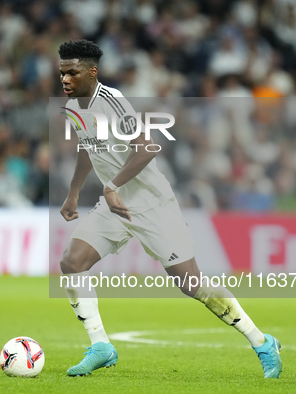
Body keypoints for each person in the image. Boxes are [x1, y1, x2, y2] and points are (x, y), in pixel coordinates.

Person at [58, 40, 282, 377]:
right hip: (114, 205)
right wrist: (74, 192)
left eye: (72, 72)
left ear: (92, 71)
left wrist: (112, 185)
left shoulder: (113, 102)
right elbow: (86, 148)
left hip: (150, 204)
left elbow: (148, 147)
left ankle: (262, 342)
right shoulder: (74, 107)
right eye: (62, 73)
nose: (65, 79)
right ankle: (101, 345)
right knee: (72, 262)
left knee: (192, 285)